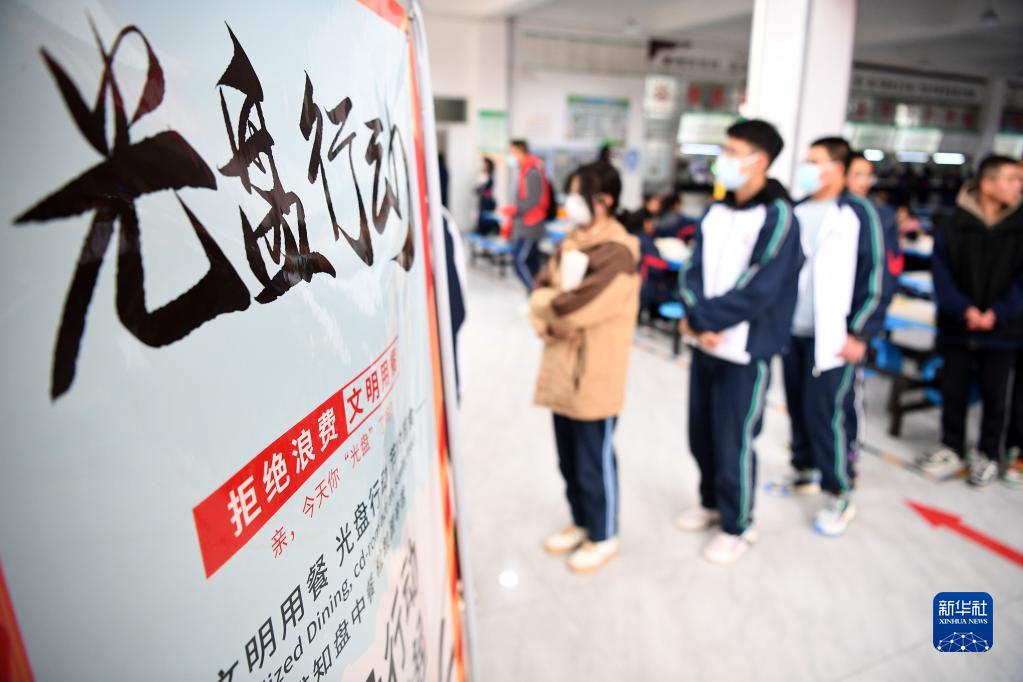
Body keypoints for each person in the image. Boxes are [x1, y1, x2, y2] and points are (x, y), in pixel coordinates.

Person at [675, 119, 804, 564]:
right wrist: (696, 318)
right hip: (705, 343)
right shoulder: (717, 211)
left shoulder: (779, 217)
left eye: (732, 152)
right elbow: (691, 268)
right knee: (701, 434)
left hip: (745, 350)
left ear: (759, 161)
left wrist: (704, 318)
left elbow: (761, 286)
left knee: (734, 439)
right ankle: (710, 502)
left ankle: (738, 524)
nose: (723, 160)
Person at [529, 161, 640, 573]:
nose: (570, 202)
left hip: (594, 372)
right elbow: (540, 292)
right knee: (568, 460)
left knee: (594, 459)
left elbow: (574, 307)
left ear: (604, 200)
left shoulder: (617, 252)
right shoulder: (571, 241)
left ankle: (603, 534)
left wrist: (550, 309)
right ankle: (580, 521)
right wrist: (549, 321)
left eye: (578, 194)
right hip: (561, 365)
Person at [781, 138, 887, 536]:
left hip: (834, 337)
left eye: (815, 161)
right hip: (793, 330)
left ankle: (838, 489)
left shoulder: (857, 212)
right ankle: (803, 469)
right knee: (797, 405)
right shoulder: (796, 210)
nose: (807, 167)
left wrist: (859, 331)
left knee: (826, 412)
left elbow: (875, 276)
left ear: (838, 169)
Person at [921, 155, 1023, 486]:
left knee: (997, 396)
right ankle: (952, 447)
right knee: (954, 390)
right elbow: (941, 274)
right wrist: (964, 310)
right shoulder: (953, 225)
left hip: (1004, 330)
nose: (1018, 187)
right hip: (958, 326)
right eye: (1011, 179)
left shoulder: (1020, 227)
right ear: (987, 184)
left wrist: (997, 313)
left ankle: (989, 454)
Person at [505, 139, 550, 292]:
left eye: (512, 152)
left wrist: (515, 210)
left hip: (531, 225)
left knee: (520, 261)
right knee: (531, 262)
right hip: (525, 224)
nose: (511, 156)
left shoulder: (532, 172)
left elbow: (533, 200)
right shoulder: (525, 170)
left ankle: (535, 293)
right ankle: (537, 294)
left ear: (520, 151)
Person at [475, 156, 500, 236]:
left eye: (486, 164)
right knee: (482, 214)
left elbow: (490, 187)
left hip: (488, 199)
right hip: (483, 198)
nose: (484, 166)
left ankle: (488, 230)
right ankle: (482, 230)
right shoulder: (483, 174)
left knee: (487, 215)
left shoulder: (491, 175)